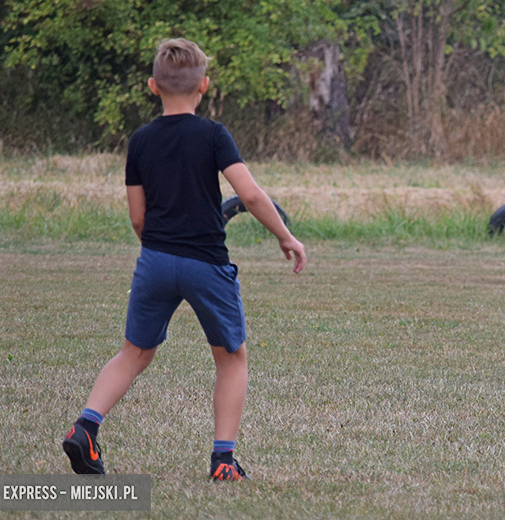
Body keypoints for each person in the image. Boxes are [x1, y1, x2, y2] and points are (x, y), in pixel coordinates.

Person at [62, 38, 307, 480]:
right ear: (205, 86)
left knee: (134, 352)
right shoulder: (214, 135)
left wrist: (157, 246)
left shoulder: (139, 140)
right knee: (231, 357)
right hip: (206, 263)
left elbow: (137, 217)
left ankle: (85, 429)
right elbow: (248, 194)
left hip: (154, 259)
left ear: (153, 86)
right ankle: (223, 462)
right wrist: (286, 236)